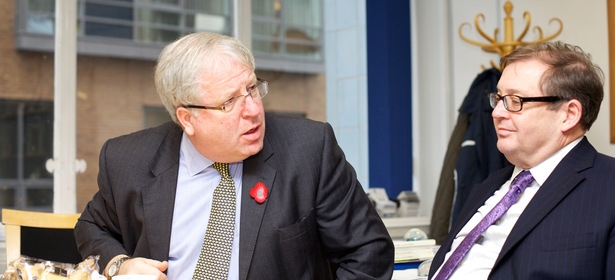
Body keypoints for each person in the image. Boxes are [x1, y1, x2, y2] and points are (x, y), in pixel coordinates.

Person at [74, 32, 394, 280]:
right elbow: (92, 227)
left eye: (252, 89)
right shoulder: (129, 159)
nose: (253, 110)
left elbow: (369, 252)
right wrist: (120, 265)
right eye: (229, 103)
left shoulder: (309, 150)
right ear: (187, 118)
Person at [429, 41, 615, 279]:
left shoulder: (608, 187)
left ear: (569, 115)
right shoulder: (490, 186)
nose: (496, 113)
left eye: (516, 101)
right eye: (498, 99)